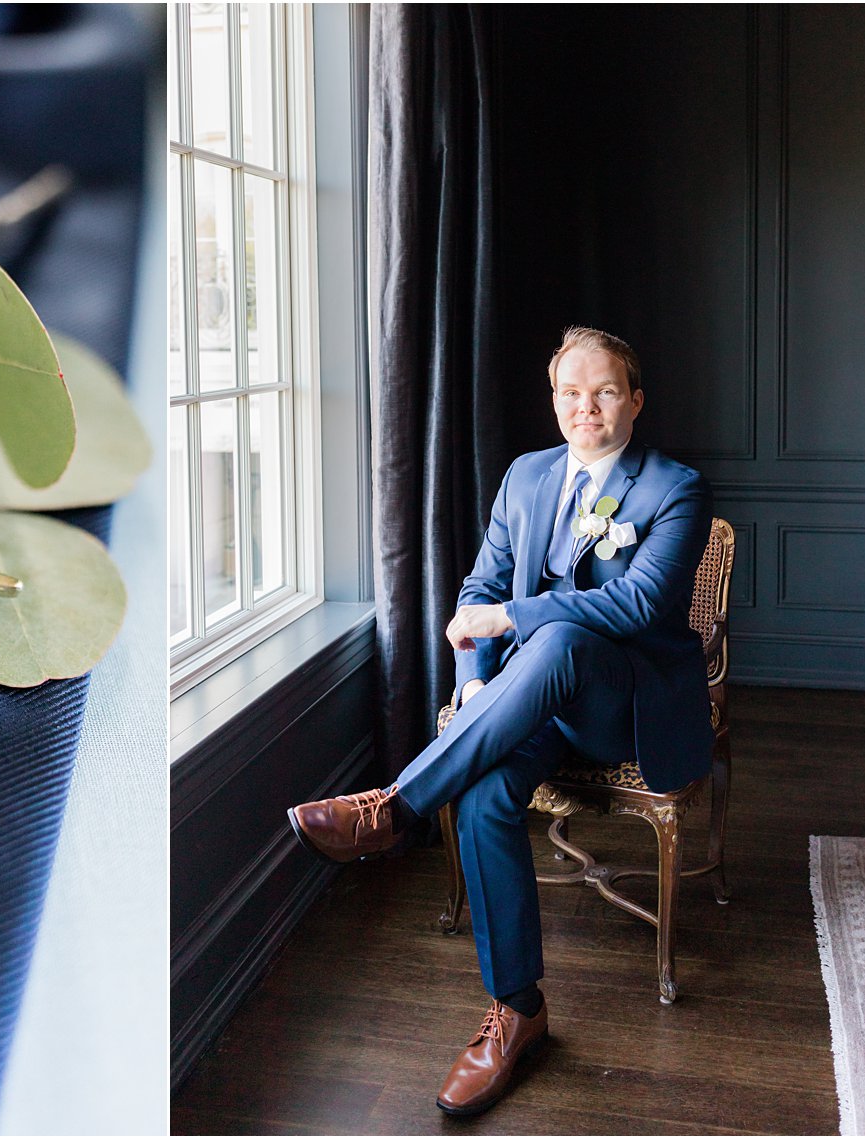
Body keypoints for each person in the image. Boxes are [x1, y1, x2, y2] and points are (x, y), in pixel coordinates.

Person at [288, 326, 713, 1117]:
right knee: (484, 794)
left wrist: (508, 620)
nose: (586, 407)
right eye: (570, 392)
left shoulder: (676, 488)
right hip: (527, 696)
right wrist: (479, 689)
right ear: (554, 400)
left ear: (636, 400)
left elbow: (637, 603)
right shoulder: (526, 477)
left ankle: (395, 806)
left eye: (606, 391)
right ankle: (518, 1012)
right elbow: (473, 591)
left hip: (624, 703)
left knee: (554, 637)